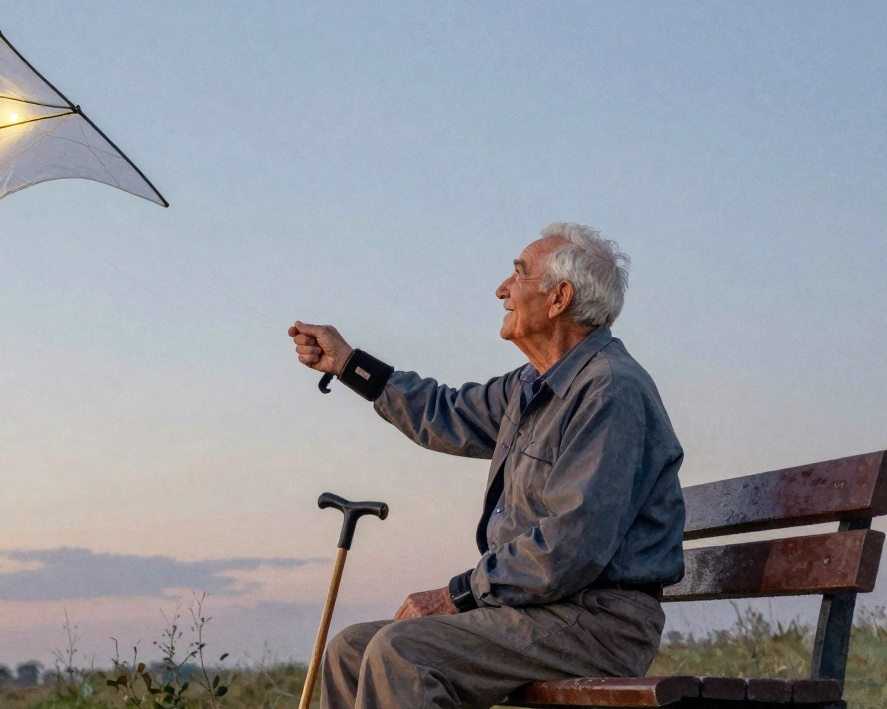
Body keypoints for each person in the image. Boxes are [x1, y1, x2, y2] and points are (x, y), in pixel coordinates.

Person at [288, 223, 685, 709]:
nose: (502, 289)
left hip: (597, 620)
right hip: (540, 608)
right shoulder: (531, 384)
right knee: (351, 649)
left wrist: (460, 593)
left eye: (518, 273)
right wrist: (350, 364)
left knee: (403, 653)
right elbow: (447, 412)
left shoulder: (609, 391)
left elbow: (570, 547)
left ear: (559, 298)